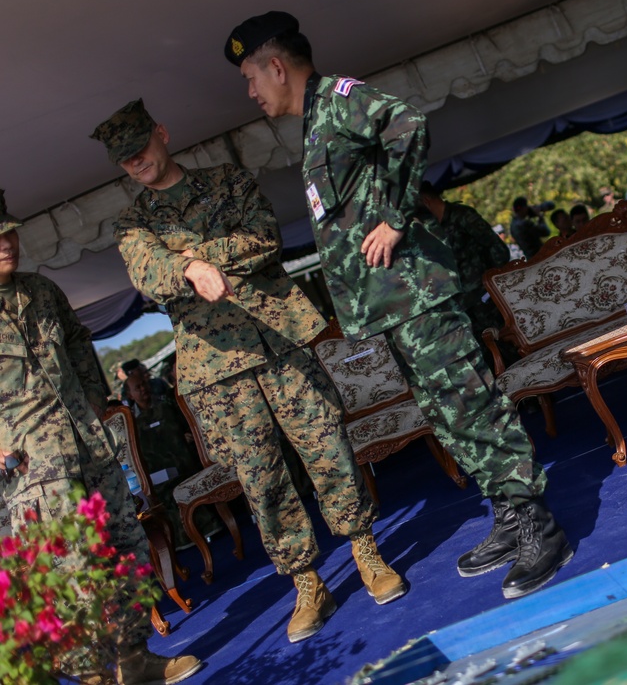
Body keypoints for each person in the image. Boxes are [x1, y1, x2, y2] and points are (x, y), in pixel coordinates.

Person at [223, 10, 573, 599]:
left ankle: (539, 525)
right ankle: (509, 517)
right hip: (392, 305)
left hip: (417, 291)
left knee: (471, 403)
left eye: (251, 79)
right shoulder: (316, 123)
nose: (252, 92)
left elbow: (407, 125)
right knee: (447, 413)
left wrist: (393, 216)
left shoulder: (340, 99)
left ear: (276, 66)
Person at [91, 99, 405, 644]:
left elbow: (264, 236)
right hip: (216, 364)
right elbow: (148, 270)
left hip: (279, 337)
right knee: (261, 479)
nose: (137, 161)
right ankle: (307, 584)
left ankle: (366, 552)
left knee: (326, 446)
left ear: (162, 133)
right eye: (125, 160)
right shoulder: (133, 222)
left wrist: (200, 257)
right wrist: (188, 267)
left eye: (141, 148)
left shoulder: (228, 180)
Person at [0, 195, 202, 683]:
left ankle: (136, 659)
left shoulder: (41, 290)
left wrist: (94, 398)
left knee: (126, 548)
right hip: (34, 470)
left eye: (8, 232)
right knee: (70, 574)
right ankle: (93, 675)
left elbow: (77, 342)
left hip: (90, 448)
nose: (6, 244)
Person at [123, 366, 224, 548]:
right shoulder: (130, 423)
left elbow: (188, 425)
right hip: (157, 474)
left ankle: (209, 527)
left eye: (144, 384)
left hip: (185, 465)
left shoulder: (167, 404)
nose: (144, 389)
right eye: (137, 387)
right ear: (130, 395)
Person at [417, 182, 512, 353]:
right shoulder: (433, 229)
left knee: (505, 344)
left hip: (486, 298)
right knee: (485, 352)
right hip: (464, 304)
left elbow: (496, 248)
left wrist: (494, 285)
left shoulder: (462, 216)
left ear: (425, 201)